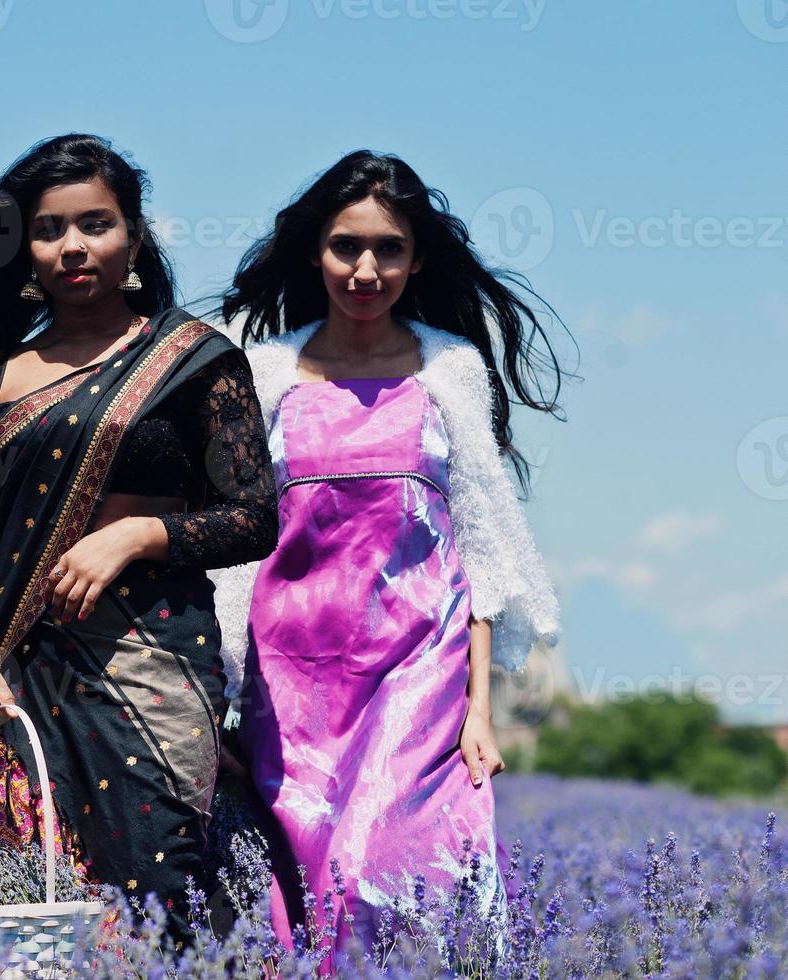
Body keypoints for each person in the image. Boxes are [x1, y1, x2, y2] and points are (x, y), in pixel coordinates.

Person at [0, 133, 278, 950]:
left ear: (134, 237)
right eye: (49, 230)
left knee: (163, 891)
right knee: (33, 914)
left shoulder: (193, 361)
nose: (73, 247)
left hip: (153, 666)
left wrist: (139, 536)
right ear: (23, 249)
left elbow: (255, 516)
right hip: (25, 678)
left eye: (96, 224)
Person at [210, 149, 567, 971]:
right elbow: (231, 541)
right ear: (314, 253)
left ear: (416, 258)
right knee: (305, 886)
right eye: (345, 247)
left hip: (418, 670)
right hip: (289, 684)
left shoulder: (449, 370)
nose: (365, 269)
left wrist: (479, 709)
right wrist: (218, 683)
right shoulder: (263, 375)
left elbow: (479, 549)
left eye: (389, 249)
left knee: (375, 867)